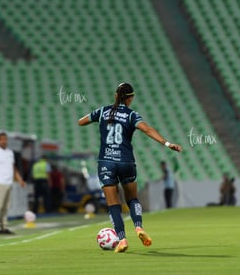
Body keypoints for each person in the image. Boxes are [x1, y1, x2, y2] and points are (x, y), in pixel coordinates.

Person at [78, 82, 182, 253]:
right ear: (130, 98)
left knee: (113, 205)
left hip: (106, 162)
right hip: (126, 162)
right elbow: (147, 129)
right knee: (132, 199)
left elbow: (81, 122)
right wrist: (167, 143)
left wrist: (95, 117)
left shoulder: (103, 111)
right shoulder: (131, 115)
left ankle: (122, 239)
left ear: (115, 96)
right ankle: (139, 227)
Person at [0, 132, 26, 234]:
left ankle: (4, 226)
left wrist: (19, 179)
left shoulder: (10, 152)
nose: (4, 141)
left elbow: (13, 167)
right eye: (2, 139)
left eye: (5, 139)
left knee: (6, 206)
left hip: (9, 182)